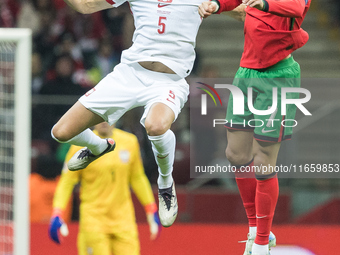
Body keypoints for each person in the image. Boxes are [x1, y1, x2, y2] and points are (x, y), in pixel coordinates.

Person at [50, 0, 243, 227]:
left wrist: (219, 6)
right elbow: (86, 6)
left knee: (156, 126)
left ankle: (165, 183)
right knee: (61, 132)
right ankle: (98, 146)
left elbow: (244, 13)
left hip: (169, 81)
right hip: (128, 75)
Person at [199, 0, 311, 255]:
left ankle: (261, 241)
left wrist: (262, 2)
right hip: (246, 73)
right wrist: (217, 5)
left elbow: (294, 8)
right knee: (235, 155)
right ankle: (254, 228)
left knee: (263, 162)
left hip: (279, 77)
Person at [48, 123, 161, 255]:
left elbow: (137, 177)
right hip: (94, 222)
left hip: (124, 221)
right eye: (99, 117)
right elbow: (67, 181)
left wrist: (151, 208)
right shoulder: (80, 145)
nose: (104, 121)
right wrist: (57, 211)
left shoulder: (129, 142)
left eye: (108, 116)